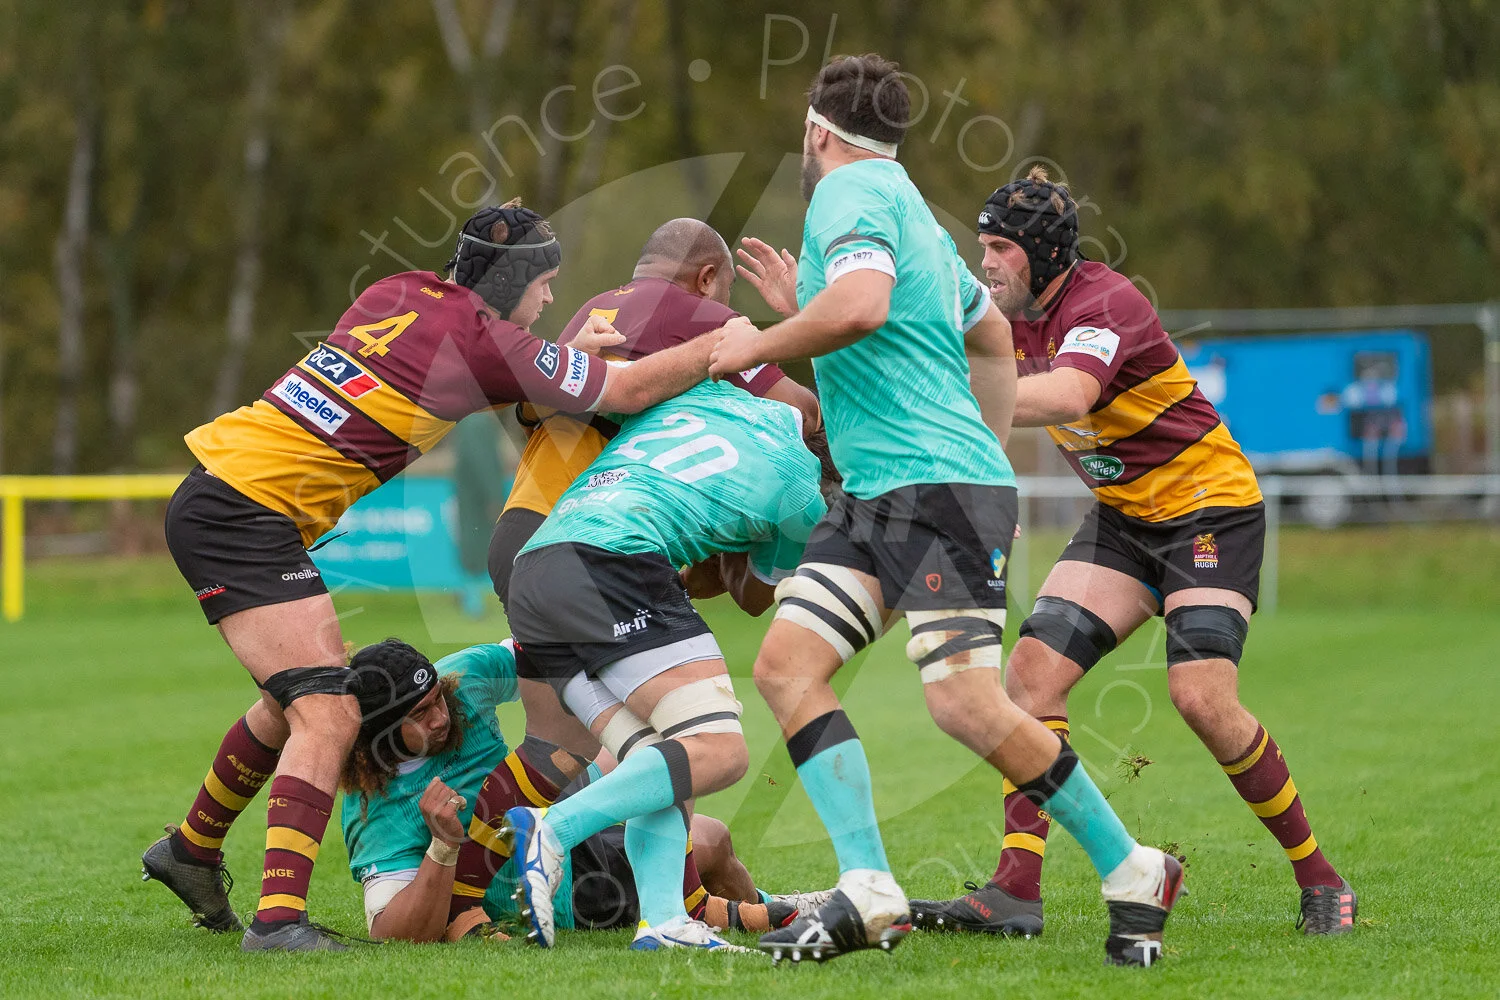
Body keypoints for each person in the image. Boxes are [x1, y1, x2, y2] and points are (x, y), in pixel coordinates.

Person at [141, 200, 734, 952]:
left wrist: (552, 356)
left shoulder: (396, 290)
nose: (550, 296)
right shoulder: (484, 340)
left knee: (290, 699)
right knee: (329, 714)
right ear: (515, 281)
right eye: (544, 283)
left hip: (232, 493)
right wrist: (725, 341)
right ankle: (278, 922)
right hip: (243, 513)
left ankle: (192, 849)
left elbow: (491, 372)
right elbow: (627, 390)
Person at [708, 53, 1184, 966]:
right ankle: (869, 889)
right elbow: (988, 334)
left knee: (965, 703)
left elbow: (861, 307)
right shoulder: (913, 211)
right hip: (885, 493)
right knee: (786, 666)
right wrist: (986, 454)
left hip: (930, 494)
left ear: (816, 131)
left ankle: (1133, 868)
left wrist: (756, 344)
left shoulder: (845, 195)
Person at [910, 168, 1355, 937]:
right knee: (1029, 678)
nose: (986, 263)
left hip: (1209, 511)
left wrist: (960, 394)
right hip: (1123, 519)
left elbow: (1068, 395)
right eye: (982, 246)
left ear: (1046, 255)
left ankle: (1321, 878)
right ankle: (1015, 891)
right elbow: (918, 353)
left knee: (1201, 699)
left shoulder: (1105, 302)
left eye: (1001, 248)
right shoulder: (1000, 316)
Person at [494, 377, 827, 953]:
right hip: (614, 563)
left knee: (663, 757)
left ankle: (665, 920)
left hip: (535, 570)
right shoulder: (805, 491)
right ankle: (550, 830)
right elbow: (752, 595)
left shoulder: (710, 396)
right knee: (720, 750)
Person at [337, 639, 815, 942]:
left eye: (437, 699)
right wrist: (442, 847)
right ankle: (765, 914)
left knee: (667, 744)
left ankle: (771, 908)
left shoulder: (462, 680)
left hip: (552, 805)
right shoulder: (374, 806)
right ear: (382, 732)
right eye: (419, 715)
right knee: (709, 840)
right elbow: (391, 932)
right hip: (553, 886)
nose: (440, 717)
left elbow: (544, 653)